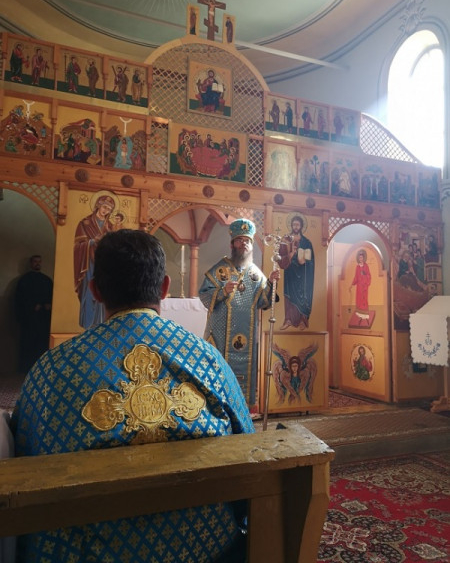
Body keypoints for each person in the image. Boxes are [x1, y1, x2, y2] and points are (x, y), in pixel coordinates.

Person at [12, 229, 253, 563]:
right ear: (165, 287)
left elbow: (22, 456)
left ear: (95, 290)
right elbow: (247, 449)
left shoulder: (50, 370)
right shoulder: (209, 360)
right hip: (208, 549)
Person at [199, 218, 279, 408]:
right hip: (220, 332)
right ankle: (216, 407)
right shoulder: (220, 269)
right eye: (240, 240)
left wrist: (271, 283)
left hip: (247, 335)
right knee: (218, 372)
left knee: (244, 376)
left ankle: (242, 408)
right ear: (232, 244)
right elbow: (204, 295)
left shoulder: (255, 273)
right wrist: (222, 291)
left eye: (247, 241)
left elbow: (264, 301)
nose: (244, 244)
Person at [73, 194, 115, 329]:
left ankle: (100, 323)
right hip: (88, 262)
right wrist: (92, 241)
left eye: (109, 209)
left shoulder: (109, 226)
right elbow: (78, 245)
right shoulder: (85, 223)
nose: (105, 211)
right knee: (89, 290)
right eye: (104, 207)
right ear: (98, 205)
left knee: (101, 291)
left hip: (103, 263)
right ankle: (87, 323)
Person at [14, 255, 53, 373]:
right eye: (35, 261)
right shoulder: (24, 280)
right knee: (28, 345)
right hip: (29, 321)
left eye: (39, 262)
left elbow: (52, 297)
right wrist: (32, 307)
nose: (37, 264)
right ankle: (26, 370)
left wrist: (48, 305)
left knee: (42, 346)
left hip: (44, 320)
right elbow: (20, 300)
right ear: (31, 263)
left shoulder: (47, 280)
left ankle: (41, 370)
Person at [279, 215, 315, 331]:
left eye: (298, 225)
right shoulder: (285, 240)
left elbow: (311, 261)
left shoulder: (306, 242)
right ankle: (288, 320)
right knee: (290, 296)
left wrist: (305, 262)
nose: (296, 227)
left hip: (303, 274)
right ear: (291, 225)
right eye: (294, 224)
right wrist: (290, 255)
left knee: (303, 295)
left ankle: (302, 320)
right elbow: (280, 258)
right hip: (290, 271)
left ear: (301, 226)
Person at [349, 249, 371, 320]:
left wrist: (364, 274)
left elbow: (369, 275)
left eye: (361, 257)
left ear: (363, 258)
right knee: (359, 299)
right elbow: (356, 277)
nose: (360, 259)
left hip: (364, 286)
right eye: (359, 258)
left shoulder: (366, 266)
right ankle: (359, 314)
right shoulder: (357, 267)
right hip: (359, 287)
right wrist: (352, 284)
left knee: (364, 299)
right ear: (358, 259)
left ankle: (365, 314)